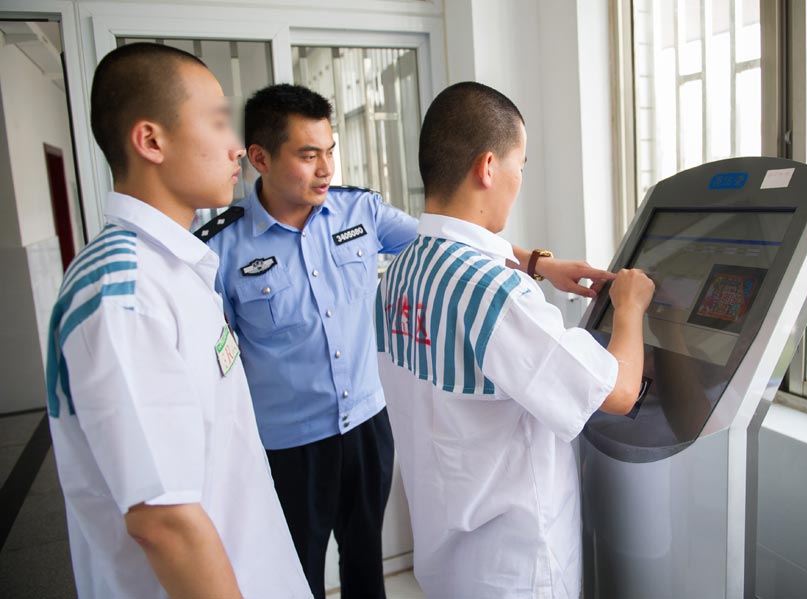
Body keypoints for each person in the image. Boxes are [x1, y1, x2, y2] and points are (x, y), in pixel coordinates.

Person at [196, 83, 613, 598]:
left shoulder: (359, 212)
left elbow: (446, 240)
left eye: (330, 151)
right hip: (289, 442)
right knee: (297, 569)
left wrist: (539, 264)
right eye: (308, 155)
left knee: (365, 561)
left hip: (366, 422)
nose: (326, 169)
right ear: (260, 158)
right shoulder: (221, 248)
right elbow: (219, 364)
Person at [45, 43, 312, 599]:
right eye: (217, 122)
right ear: (151, 141)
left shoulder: (173, 268)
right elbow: (163, 523)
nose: (237, 147)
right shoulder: (125, 294)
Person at [375, 81, 656, 598]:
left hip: (447, 560)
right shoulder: (497, 295)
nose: (519, 180)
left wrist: (538, 264)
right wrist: (631, 307)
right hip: (515, 569)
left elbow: (467, 265)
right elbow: (618, 392)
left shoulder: (400, 271)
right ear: (488, 167)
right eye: (519, 166)